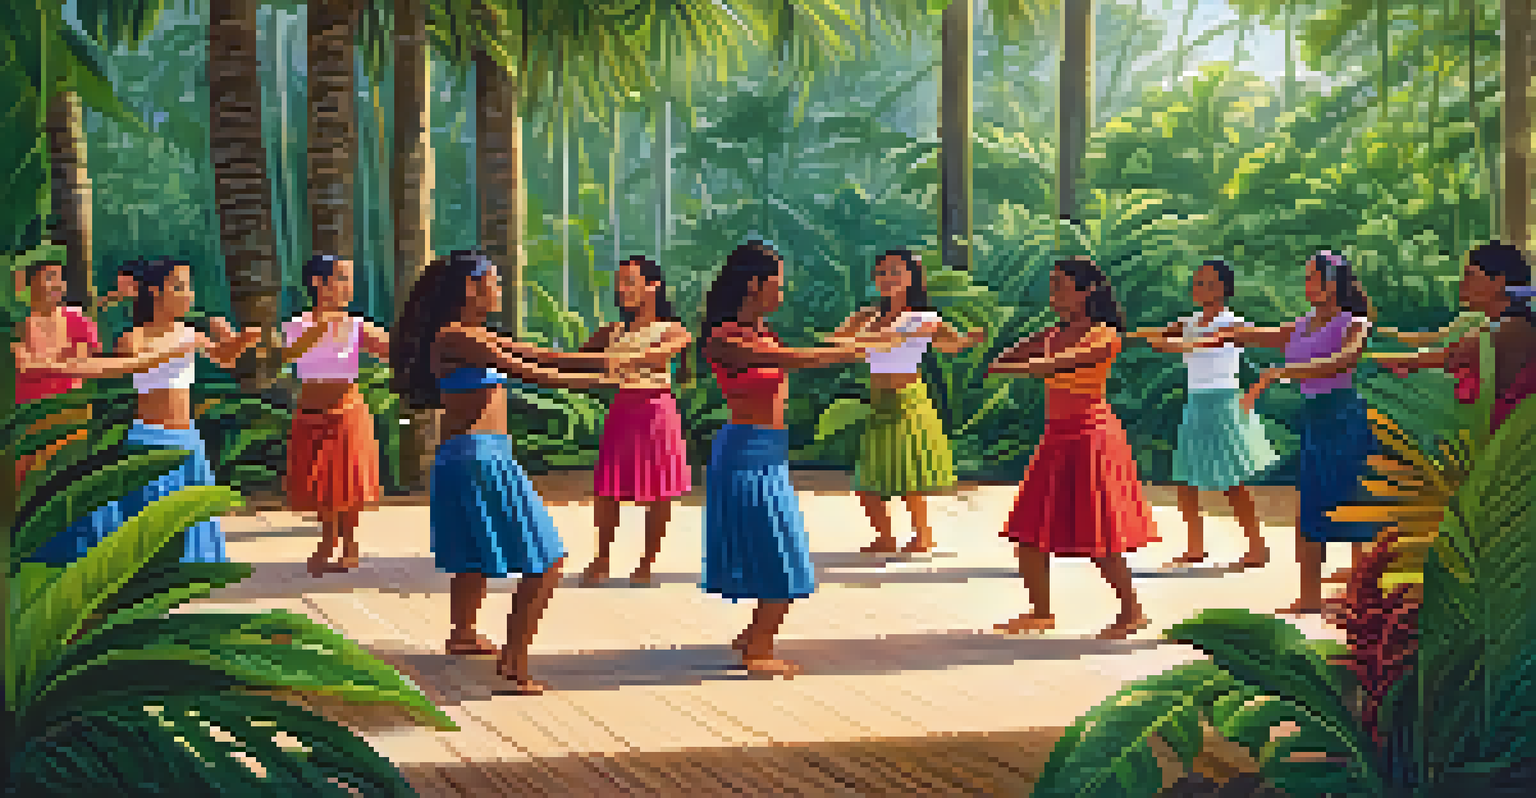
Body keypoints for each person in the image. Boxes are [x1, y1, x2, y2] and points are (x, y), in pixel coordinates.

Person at [392, 250, 614, 693]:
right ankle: (514, 662)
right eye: (493, 279)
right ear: (470, 287)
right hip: (480, 456)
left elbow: (544, 356)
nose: (499, 286)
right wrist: (615, 374)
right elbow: (535, 372)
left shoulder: (471, 335)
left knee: (471, 557)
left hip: (467, 455)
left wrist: (601, 356)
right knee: (548, 560)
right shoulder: (457, 337)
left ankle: (463, 633)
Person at [699, 240, 865, 677]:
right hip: (745, 453)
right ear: (755, 284)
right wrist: (851, 351)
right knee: (782, 554)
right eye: (778, 284)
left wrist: (868, 333)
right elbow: (792, 358)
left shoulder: (763, 332)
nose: (782, 293)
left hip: (770, 453)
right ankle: (757, 649)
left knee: (776, 550)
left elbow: (804, 350)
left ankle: (752, 636)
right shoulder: (724, 338)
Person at [30, 257, 261, 565]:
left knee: (190, 512)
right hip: (150, 439)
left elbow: (225, 358)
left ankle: (191, 568)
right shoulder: (134, 337)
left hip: (188, 439)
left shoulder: (191, 333)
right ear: (154, 291)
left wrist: (238, 338)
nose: (188, 295)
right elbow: (132, 362)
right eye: (178, 287)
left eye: (189, 288)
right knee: (151, 511)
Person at [986, 257, 1158, 640]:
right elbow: (1005, 359)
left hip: (1092, 437)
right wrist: (1015, 362)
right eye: (1052, 285)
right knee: (1028, 531)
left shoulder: (1104, 333)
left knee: (1100, 535)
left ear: (1087, 291)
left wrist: (1024, 367)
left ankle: (1132, 612)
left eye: (1061, 285)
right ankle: (1040, 613)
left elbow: (1064, 363)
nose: (1054, 293)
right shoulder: (1048, 335)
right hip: (1056, 437)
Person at [503, 256, 693, 587]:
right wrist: (518, 358)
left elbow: (656, 356)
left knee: (659, 492)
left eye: (630, 281)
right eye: (619, 282)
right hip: (624, 409)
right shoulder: (613, 331)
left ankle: (646, 563)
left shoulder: (673, 330)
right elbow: (573, 363)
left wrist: (610, 360)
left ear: (653, 286)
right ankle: (602, 558)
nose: (622, 289)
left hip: (657, 411)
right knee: (608, 488)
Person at [1215, 250, 1379, 615]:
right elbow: (1258, 335)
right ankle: (1308, 596)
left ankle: (1364, 592)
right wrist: (1211, 330)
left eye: (1314, 278)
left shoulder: (1354, 322)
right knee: (1309, 506)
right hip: (1315, 419)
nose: (1308, 286)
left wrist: (1284, 372)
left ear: (1334, 284)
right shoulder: (1302, 325)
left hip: (1345, 417)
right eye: (1306, 278)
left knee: (1354, 503)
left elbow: (1344, 360)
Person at [824, 249, 985, 555]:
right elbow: (836, 342)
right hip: (879, 402)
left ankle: (923, 536)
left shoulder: (923, 318)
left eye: (896, 272)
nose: (888, 278)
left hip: (908, 400)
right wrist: (854, 337)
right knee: (867, 477)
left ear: (912, 278)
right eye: (883, 272)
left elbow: (949, 344)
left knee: (909, 475)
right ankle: (885, 537)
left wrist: (967, 340)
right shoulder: (865, 316)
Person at [1132, 259, 1276, 570]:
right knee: (1185, 480)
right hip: (1196, 403)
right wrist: (1132, 336)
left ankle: (1257, 547)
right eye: (1198, 283)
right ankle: (1195, 548)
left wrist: (1253, 392)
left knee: (1231, 482)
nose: (1201, 288)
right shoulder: (1189, 321)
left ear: (1225, 288)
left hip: (1223, 404)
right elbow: (1159, 336)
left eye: (1210, 283)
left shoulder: (1234, 324)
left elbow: (1266, 362)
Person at [280, 255, 390, 577]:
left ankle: (350, 543)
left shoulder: (357, 326)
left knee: (348, 481)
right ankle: (328, 540)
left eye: (349, 279)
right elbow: (288, 356)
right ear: (318, 283)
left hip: (347, 411)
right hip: (311, 413)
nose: (347, 286)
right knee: (321, 483)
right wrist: (322, 329)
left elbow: (393, 348)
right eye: (341, 278)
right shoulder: (297, 325)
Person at [1379, 242, 1536, 435]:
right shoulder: (1502, 324)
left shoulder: (1510, 328)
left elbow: (1442, 357)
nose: (1462, 283)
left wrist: (1363, 360)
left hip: (1508, 440)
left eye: (1470, 275)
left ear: (1499, 282)